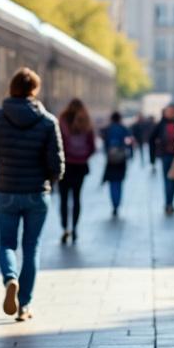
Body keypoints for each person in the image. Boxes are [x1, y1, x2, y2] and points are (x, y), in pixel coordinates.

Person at [0, 67, 63, 322]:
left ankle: (9, 279)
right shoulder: (48, 121)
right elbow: (57, 164)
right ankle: (24, 305)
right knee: (31, 247)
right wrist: (50, 179)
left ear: (11, 88)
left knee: (6, 244)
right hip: (37, 192)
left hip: (6, 190)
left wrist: (5, 157)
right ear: (34, 90)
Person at [58, 98, 96, 245]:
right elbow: (92, 146)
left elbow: (57, 142)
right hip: (80, 166)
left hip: (65, 165)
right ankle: (75, 228)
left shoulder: (62, 120)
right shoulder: (86, 121)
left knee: (63, 199)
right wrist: (84, 156)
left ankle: (64, 228)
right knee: (77, 198)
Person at [153, 104, 174, 214]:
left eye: (173, 111)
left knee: (173, 181)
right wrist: (153, 157)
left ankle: (170, 203)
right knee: (167, 180)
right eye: (169, 111)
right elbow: (152, 139)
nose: (171, 113)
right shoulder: (160, 124)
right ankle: (168, 203)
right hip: (165, 156)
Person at [101, 112, 131, 216]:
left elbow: (104, 143)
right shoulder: (124, 128)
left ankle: (114, 204)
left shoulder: (108, 129)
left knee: (112, 182)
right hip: (121, 158)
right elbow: (129, 141)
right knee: (119, 181)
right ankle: (117, 203)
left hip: (110, 159)